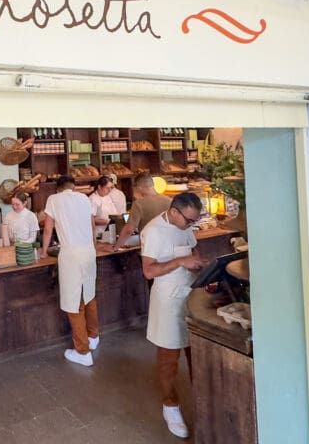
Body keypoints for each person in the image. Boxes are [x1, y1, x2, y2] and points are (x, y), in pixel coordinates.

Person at [140, 193, 207, 439]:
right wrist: (181, 261)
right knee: (169, 358)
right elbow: (148, 271)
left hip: (190, 294)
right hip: (167, 301)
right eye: (188, 220)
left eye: (194, 221)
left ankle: (201, 401)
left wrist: (199, 263)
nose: (191, 224)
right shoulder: (153, 231)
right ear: (175, 212)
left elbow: (192, 247)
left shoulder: (186, 225)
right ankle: (170, 404)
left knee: (195, 352)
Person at [41, 175, 99, 367]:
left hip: (71, 254)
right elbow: (92, 226)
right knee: (89, 296)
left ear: (58, 188)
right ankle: (93, 336)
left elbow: (48, 230)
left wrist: (43, 252)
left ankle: (83, 351)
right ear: (73, 187)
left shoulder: (54, 200)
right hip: (88, 251)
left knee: (73, 302)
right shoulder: (84, 198)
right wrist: (94, 245)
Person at [113, 172, 174, 251]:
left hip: (151, 249)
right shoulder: (170, 201)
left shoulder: (139, 204)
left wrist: (116, 247)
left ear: (139, 188)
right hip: (170, 247)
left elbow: (129, 230)